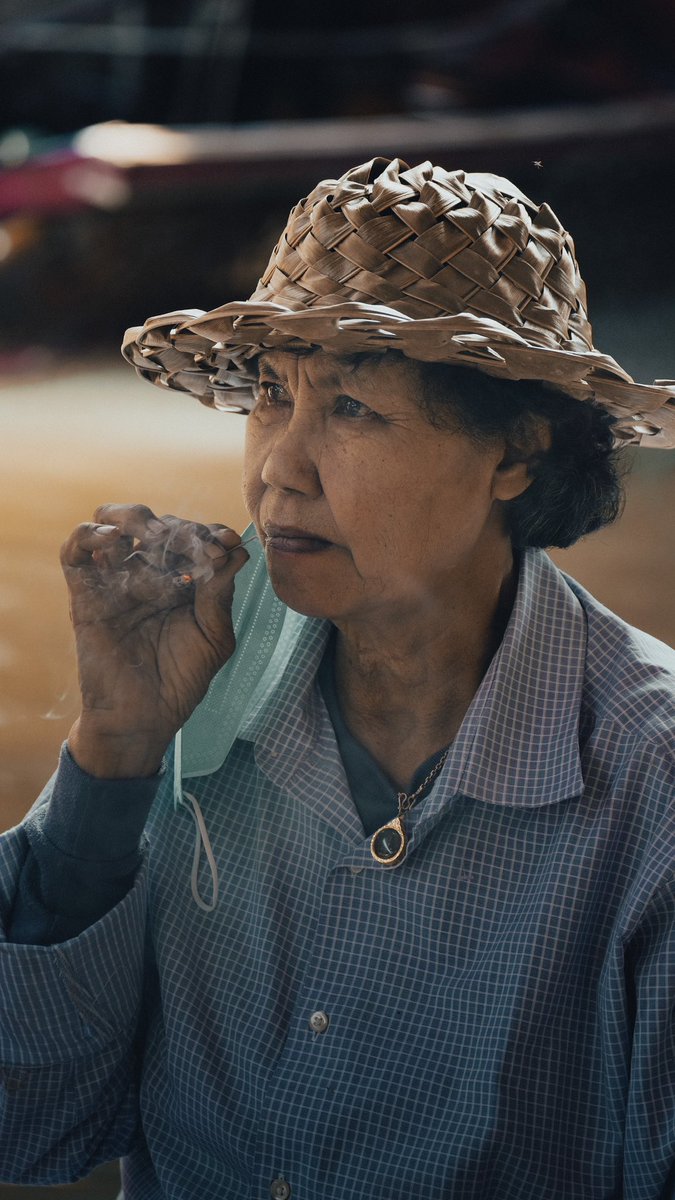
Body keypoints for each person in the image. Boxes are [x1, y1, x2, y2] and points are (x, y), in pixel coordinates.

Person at [1, 157, 674, 1200]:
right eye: (273, 395)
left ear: (519, 452)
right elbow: (27, 1124)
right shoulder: (192, 674)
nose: (280, 466)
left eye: (353, 408)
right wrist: (117, 751)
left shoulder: (649, 788)